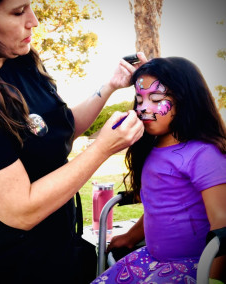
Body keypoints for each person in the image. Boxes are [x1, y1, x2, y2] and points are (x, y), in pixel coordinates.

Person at [0, 0, 145, 283]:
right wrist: (102, 149)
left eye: (30, 5)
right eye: (18, 12)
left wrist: (109, 86)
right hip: (6, 267)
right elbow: (22, 210)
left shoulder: (20, 61)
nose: (34, 20)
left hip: (61, 251)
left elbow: (58, 131)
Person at [92, 57, 226, 284]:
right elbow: (160, 205)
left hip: (194, 267)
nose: (143, 108)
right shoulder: (152, 148)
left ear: (186, 100)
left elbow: (222, 224)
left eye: (155, 99)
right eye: (139, 98)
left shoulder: (204, 154)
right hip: (153, 259)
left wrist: (213, 279)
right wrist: (130, 237)